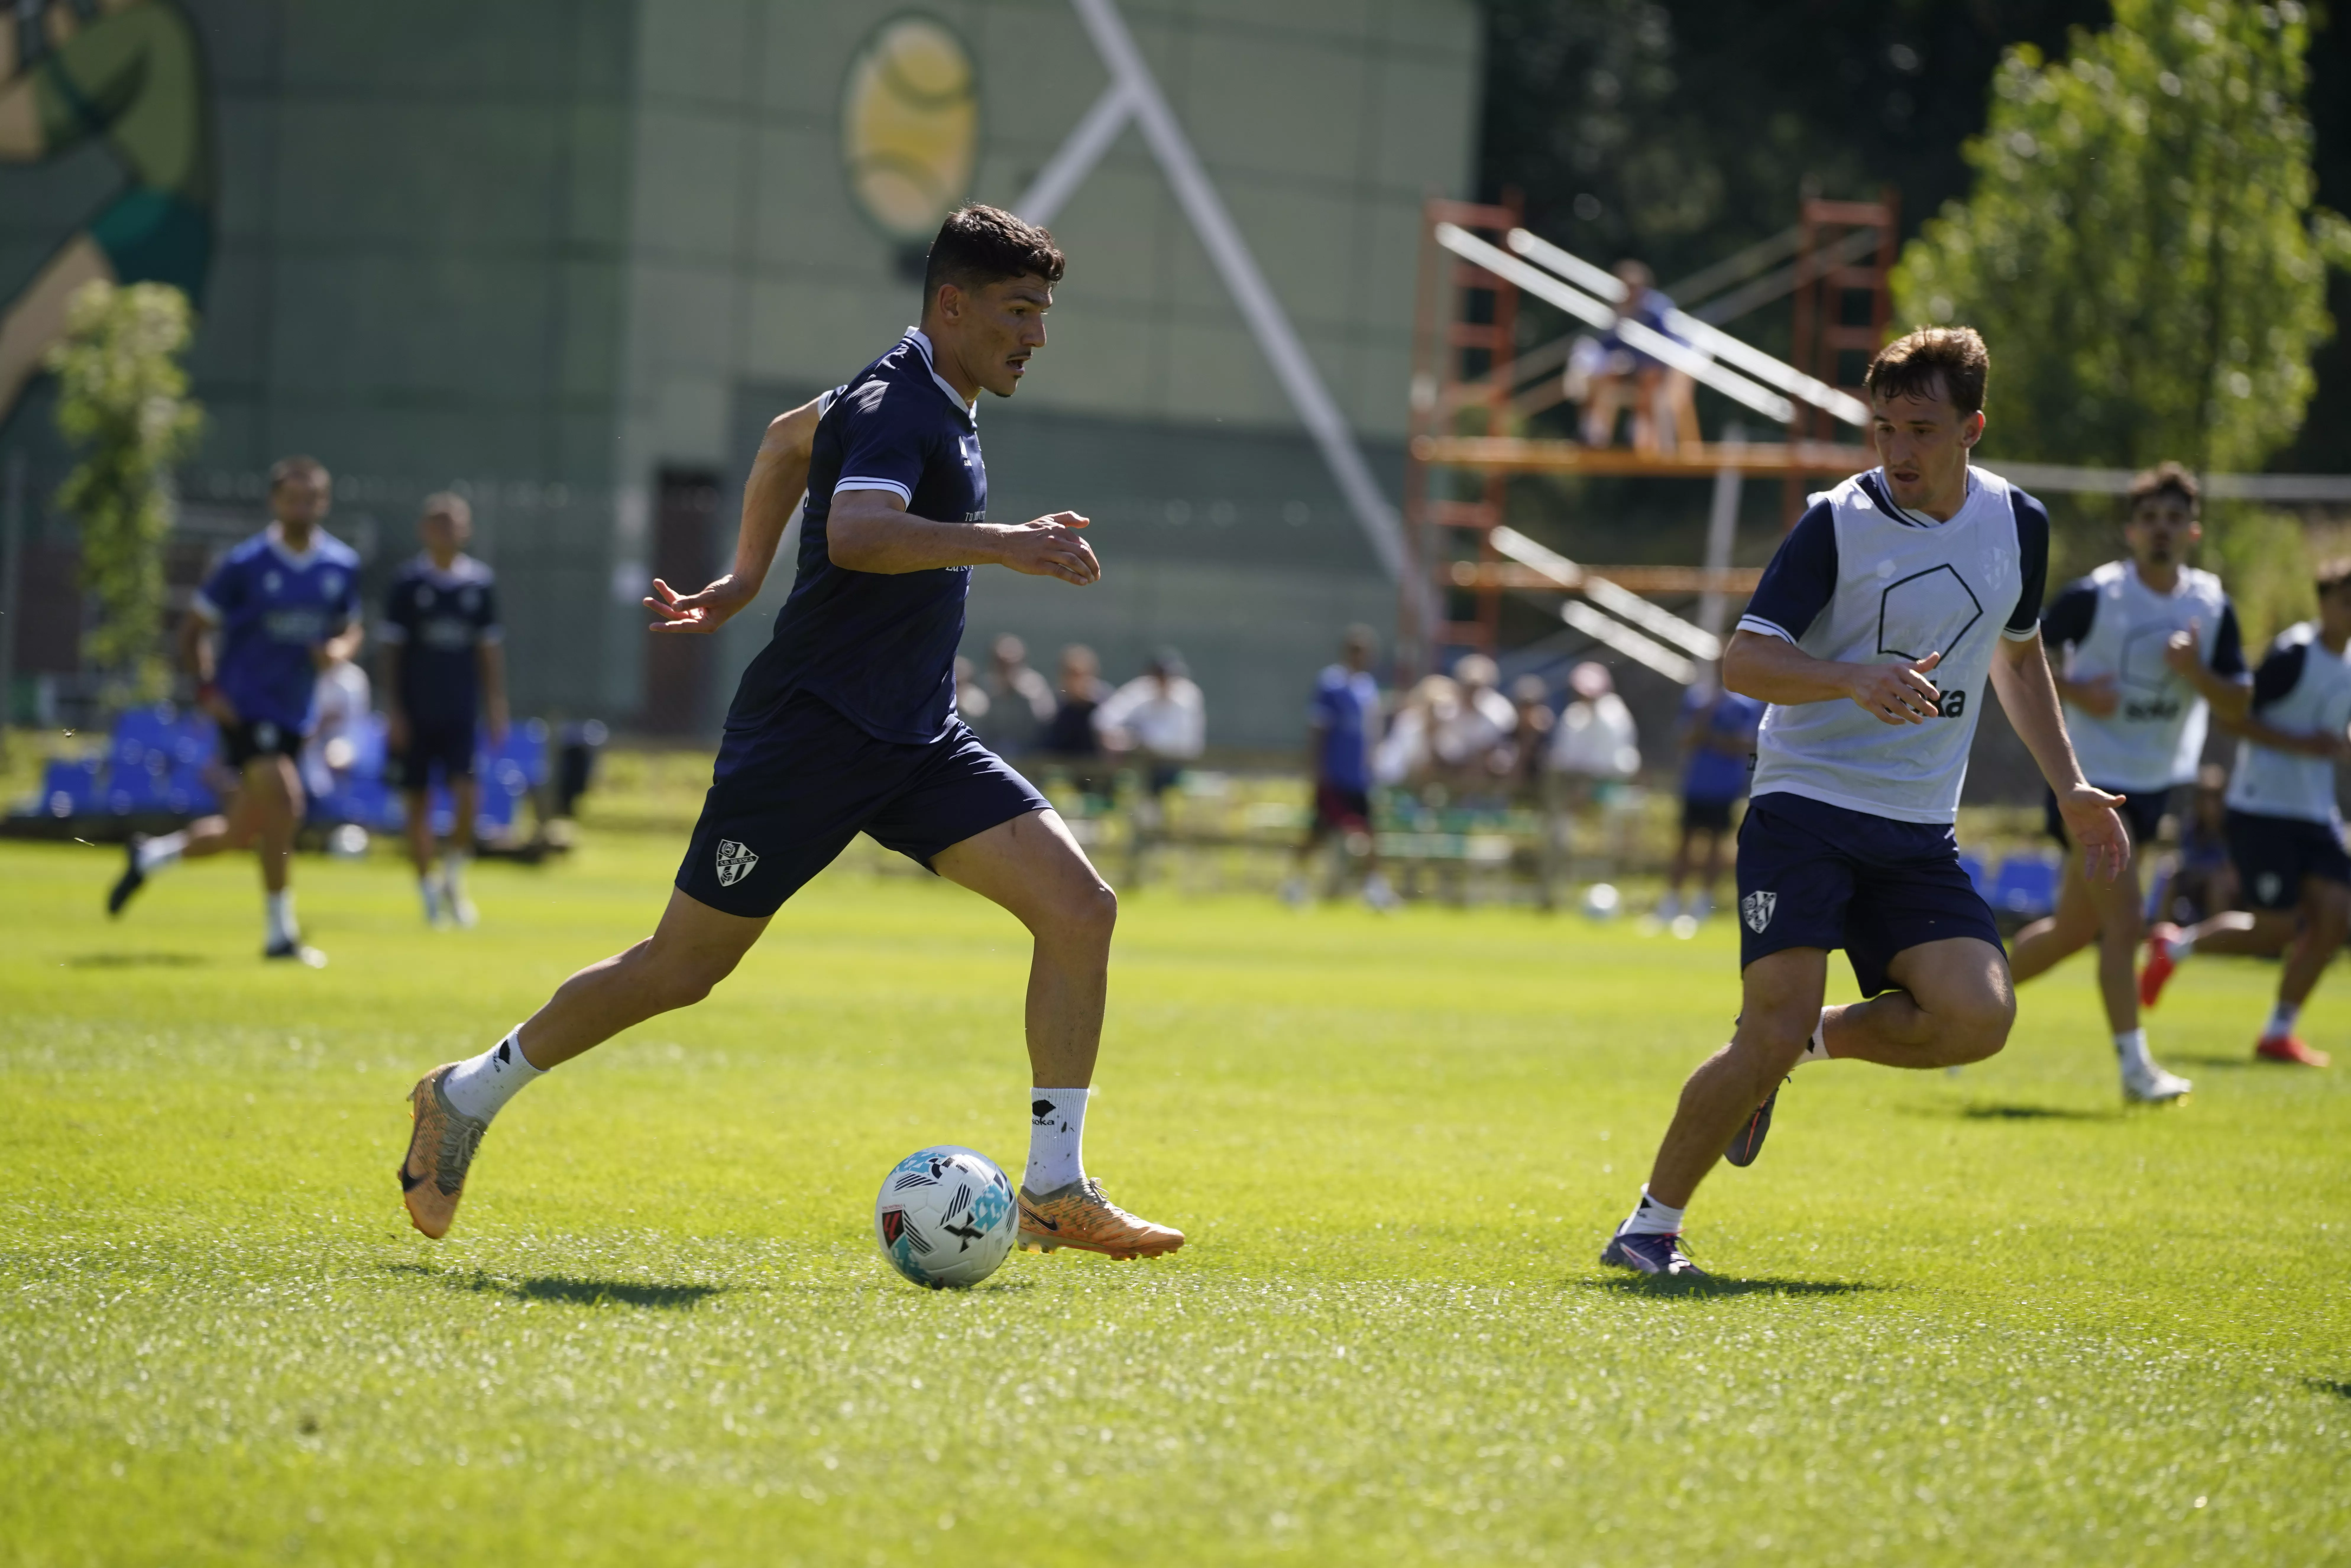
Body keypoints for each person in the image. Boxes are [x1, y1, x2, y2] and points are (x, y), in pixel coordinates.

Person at [393, 204, 1183, 1260]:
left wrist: (742, 578)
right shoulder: (905, 404)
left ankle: (1052, 1186)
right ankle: (466, 1092)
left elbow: (782, 442)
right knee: (679, 969)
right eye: (1017, 311)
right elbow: (855, 533)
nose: (1035, 336)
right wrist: (1005, 544)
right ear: (951, 305)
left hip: (911, 735)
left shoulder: (905, 383)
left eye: (1040, 313)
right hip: (809, 738)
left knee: (1079, 908)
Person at [1602, 326, 2127, 1280]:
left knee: (1979, 1015)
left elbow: (2017, 655)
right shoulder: (1834, 522)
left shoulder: (2021, 524)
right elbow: (1745, 659)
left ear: (1972, 427)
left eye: (1920, 428)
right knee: (1762, 1025)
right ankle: (1649, 1226)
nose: (1896, 452)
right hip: (1804, 808)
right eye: (1881, 427)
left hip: (1916, 831)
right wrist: (1851, 679)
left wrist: (2072, 784)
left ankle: (1795, 1047)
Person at [2002, 463, 2244, 1102]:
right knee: (2126, 921)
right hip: (2087, 780)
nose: (2160, 531)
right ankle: (2136, 1070)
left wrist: (2195, 673)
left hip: (2155, 782)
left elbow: (2238, 703)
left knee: (2070, 932)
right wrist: (2079, 688)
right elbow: (2016, 654)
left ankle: (1955, 1002)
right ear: (2131, 531)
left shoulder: (2210, 604)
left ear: (2191, 532)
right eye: (2149, 520)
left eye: (2173, 519)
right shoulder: (2097, 595)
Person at [106, 455, 363, 965]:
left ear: (324, 502)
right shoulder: (246, 564)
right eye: (293, 498)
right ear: (275, 502)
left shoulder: (341, 564)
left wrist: (339, 651)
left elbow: (349, 627)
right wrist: (207, 691)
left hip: (295, 713)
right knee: (288, 803)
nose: (302, 507)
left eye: (311, 498)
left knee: (240, 832)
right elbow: (191, 631)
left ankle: (151, 856)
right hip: (246, 708)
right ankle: (279, 935)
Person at [2138, 560, 2351, 1068]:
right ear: (2323, 602)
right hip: (2263, 808)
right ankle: (2176, 948)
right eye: (2346, 600)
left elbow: (2331, 730)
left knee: (2334, 919)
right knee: (2275, 928)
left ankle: (2279, 1032)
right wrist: (2304, 743)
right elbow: (2235, 720)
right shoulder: (2294, 654)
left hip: (2316, 813)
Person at [0, 0, 216, 425]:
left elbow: (14, 128)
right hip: (183, 231)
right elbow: (79, 77)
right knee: (132, 402)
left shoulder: (141, 28)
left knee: (12, 349)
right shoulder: (155, 29)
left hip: (153, 221)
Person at [379, 492, 509, 928]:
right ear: (424, 531)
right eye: (437, 523)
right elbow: (392, 652)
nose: (446, 531)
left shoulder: (479, 584)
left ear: (466, 530)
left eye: (453, 523)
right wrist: (393, 710)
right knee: (417, 804)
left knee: (469, 798)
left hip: (460, 712)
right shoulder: (407, 584)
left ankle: (453, 876)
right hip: (415, 713)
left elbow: (488, 651)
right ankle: (427, 895)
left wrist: (495, 705)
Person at [1285, 624, 1397, 910]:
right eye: (1358, 651)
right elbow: (1318, 730)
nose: (1364, 657)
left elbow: (1370, 733)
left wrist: (1373, 765)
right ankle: (1294, 884)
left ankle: (1374, 888)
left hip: (1358, 777)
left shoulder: (1367, 687)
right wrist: (1317, 770)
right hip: (1334, 774)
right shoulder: (1331, 684)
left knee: (1369, 832)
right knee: (1318, 833)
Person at [1658, 676, 1764, 924]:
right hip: (1695, 785)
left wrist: (1715, 738)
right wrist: (1706, 716)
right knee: (1684, 843)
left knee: (1716, 845)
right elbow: (1685, 739)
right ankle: (1671, 901)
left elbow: (1748, 745)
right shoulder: (1698, 699)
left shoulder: (1746, 704)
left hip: (1723, 787)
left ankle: (1704, 902)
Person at [1568, 260, 1697, 455]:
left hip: (1663, 369)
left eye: (1634, 288)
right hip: (1634, 367)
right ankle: (1596, 432)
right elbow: (1609, 345)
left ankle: (1645, 434)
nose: (1630, 292)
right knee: (1603, 374)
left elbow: (1671, 348)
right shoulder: (1620, 310)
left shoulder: (1657, 310)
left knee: (1649, 375)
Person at [1095, 647, 1205, 797]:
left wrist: (1138, 740)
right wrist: (1118, 737)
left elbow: (1188, 745)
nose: (1164, 682)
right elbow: (1104, 719)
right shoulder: (1141, 690)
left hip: (1176, 768)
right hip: (1136, 764)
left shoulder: (1188, 697)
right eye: (1160, 676)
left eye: (1168, 677)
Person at [971, 633, 1052, 756]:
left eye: (1010, 664)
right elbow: (981, 726)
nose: (1006, 669)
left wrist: (1020, 693)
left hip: (1031, 751)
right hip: (993, 751)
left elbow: (1045, 719)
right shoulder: (986, 686)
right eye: (1001, 664)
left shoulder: (1035, 684)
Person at [1039, 643, 1110, 758]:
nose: (1080, 681)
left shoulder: (1105, 706)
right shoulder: (1054, 709)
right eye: (1073, 675)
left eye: (1085, 674)